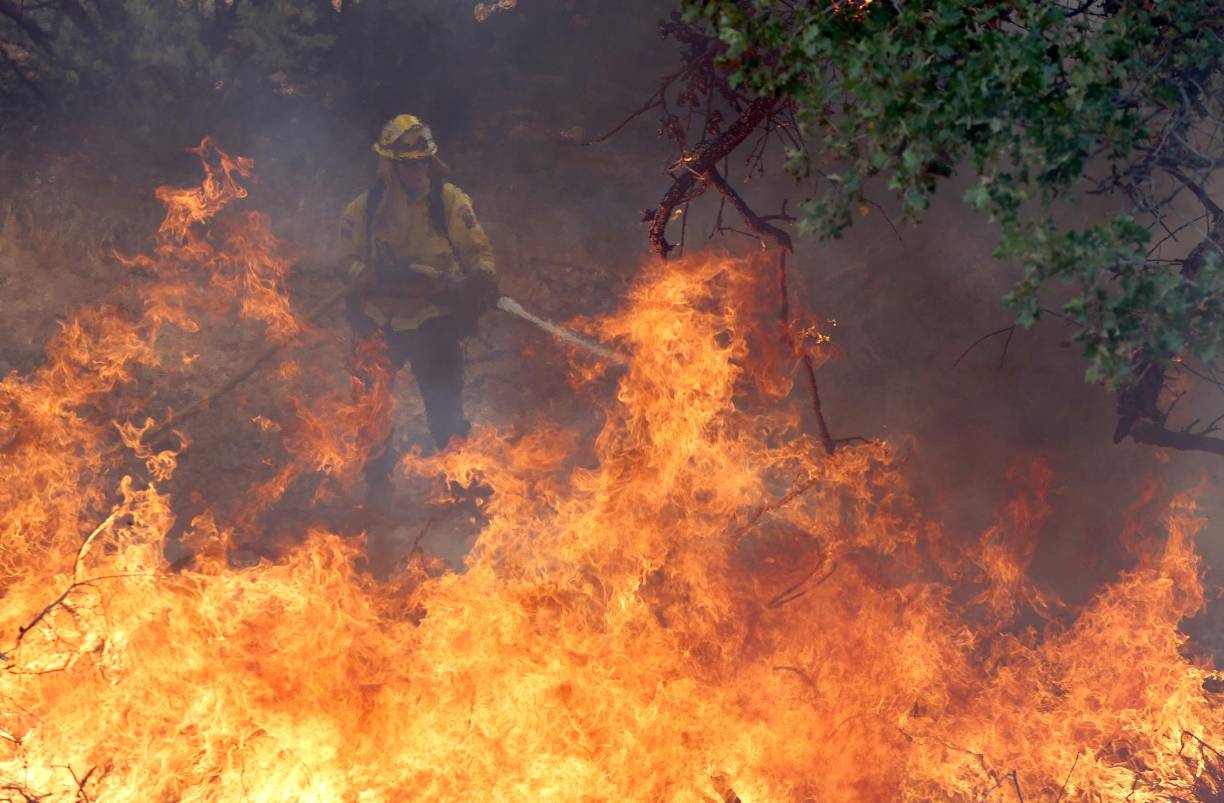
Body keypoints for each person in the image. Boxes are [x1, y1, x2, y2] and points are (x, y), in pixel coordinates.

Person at [338, 114, 498, 499]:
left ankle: (461, 485)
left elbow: (478, 251)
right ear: (390, 165)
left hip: (433, 322)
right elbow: (345, 263)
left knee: (445, 411)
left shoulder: (449, 202)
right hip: (380, 323)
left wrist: (479, 281)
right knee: (371, 414)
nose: (417, 170)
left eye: (423, 161)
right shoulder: (363, 210)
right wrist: (373, 274)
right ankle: (377, 489)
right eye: (408, 164)